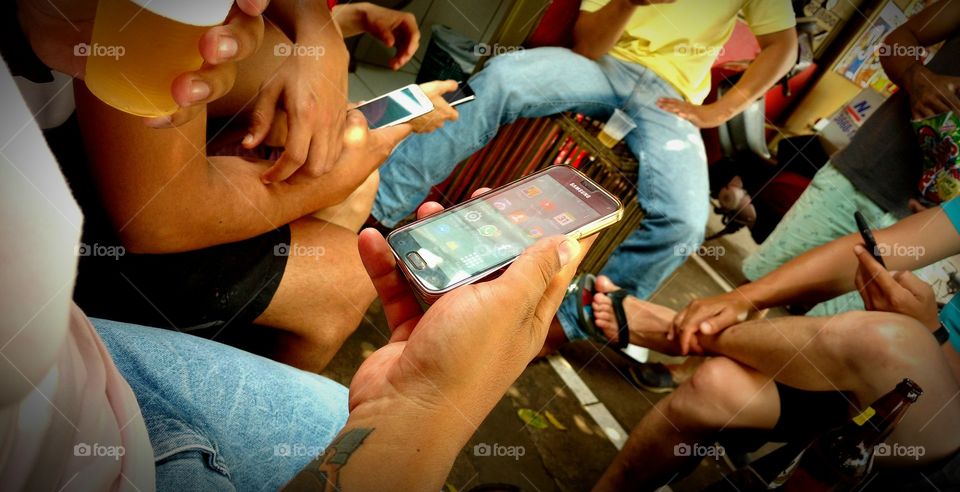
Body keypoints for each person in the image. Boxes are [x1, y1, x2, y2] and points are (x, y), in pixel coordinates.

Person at [1, 53, 594, 489]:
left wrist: (317, 37)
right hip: (66, 422)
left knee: (348, 228)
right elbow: (162, 215)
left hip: (70, 360)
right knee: (337, 391)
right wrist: (431, 408)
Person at [7, 0, 456, 372]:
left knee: (340, 185)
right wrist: (342, 167)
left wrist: (324, 29)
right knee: (348, 268)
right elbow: (160, 218)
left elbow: (272, 72)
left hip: (89, 176)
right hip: (66, 224)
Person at [371, 0, 798, 352]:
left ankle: (567, 323)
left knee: (685, 224)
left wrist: (719, 111)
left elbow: (784, 47)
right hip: (602, 65)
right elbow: (588, 45)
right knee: (502, 77)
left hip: (672, 97)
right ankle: (379, 211)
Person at [629, 0, 960, 392]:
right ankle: (696, 364)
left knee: (832, 332)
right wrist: (917, 76)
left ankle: (739, 394)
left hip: (931, 221)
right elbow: (898, 42)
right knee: (762, 286)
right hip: (864, 172)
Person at [583, 201, 960, 490]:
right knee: (715, 385)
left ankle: (679, 333)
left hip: (939, 432)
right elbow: (876, 249)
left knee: (882, 339)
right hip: (873, 382)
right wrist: (744, 299)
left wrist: (931, 332)